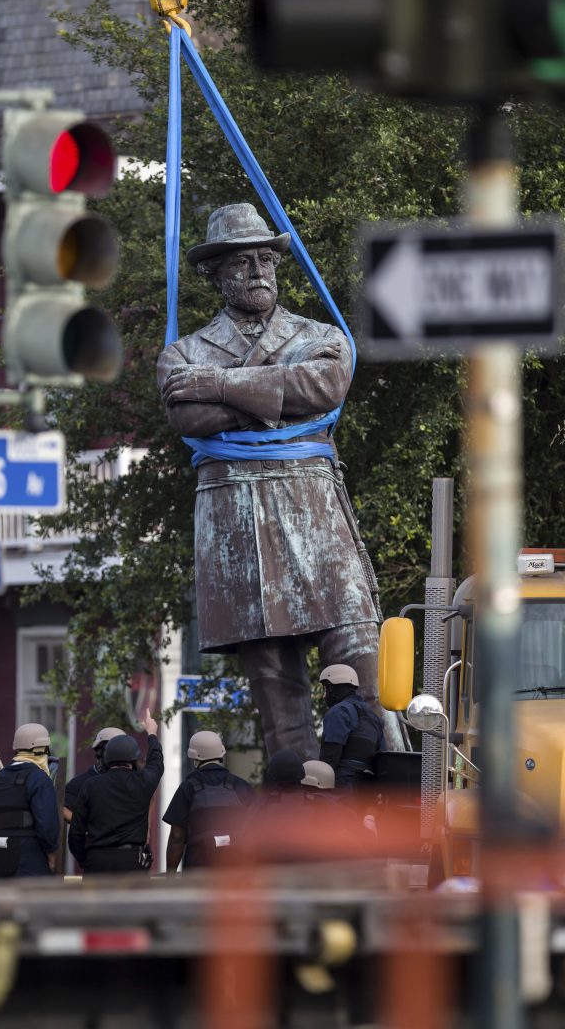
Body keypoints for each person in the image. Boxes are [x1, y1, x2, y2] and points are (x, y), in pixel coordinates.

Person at [157, 202, 401, 761]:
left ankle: (389, 798)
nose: (259, 271)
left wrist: (219, 385)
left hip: (312, 509)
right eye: (242, 262)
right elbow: (189, 419)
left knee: (365, 665)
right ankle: (299, 816)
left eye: (266, 258)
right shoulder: (182, 353)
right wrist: (275, 397)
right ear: (215, 274)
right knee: (278, 700)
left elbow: (324, 386)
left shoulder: (319, 337)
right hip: (236, 530)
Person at [68, 708, 163, 874]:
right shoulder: (143, 782)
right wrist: (152, 734)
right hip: (132, 861)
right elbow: (156, 762)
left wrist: (87, 859)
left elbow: (76, 833)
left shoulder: (90, 786)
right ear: (133, 759)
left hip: (97, 861)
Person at [163, 730, 255, 871]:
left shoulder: (188, 788)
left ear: (195, 757)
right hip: (235, 869)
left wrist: (170, 875)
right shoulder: (241, 786)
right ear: (221, 753)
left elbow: (176, 837)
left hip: (198, 869)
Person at [0, 723, 60, 879]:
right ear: (40, 750)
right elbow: (47, 824)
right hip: (29, 858)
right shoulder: (39, 779)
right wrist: (51, 853)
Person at [319, 664, 385, 788]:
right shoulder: (375, 718)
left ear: (331, 688)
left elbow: (330, 754)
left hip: (342, 786)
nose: (325, 694)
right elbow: (382, 758)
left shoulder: (339, 711)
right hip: (367, 791)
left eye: (326, 688)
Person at [63, 726, 125, 823]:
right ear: (99, 753)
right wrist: (83, 827)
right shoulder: (81, 782)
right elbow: (62, 808)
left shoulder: (132, 780)